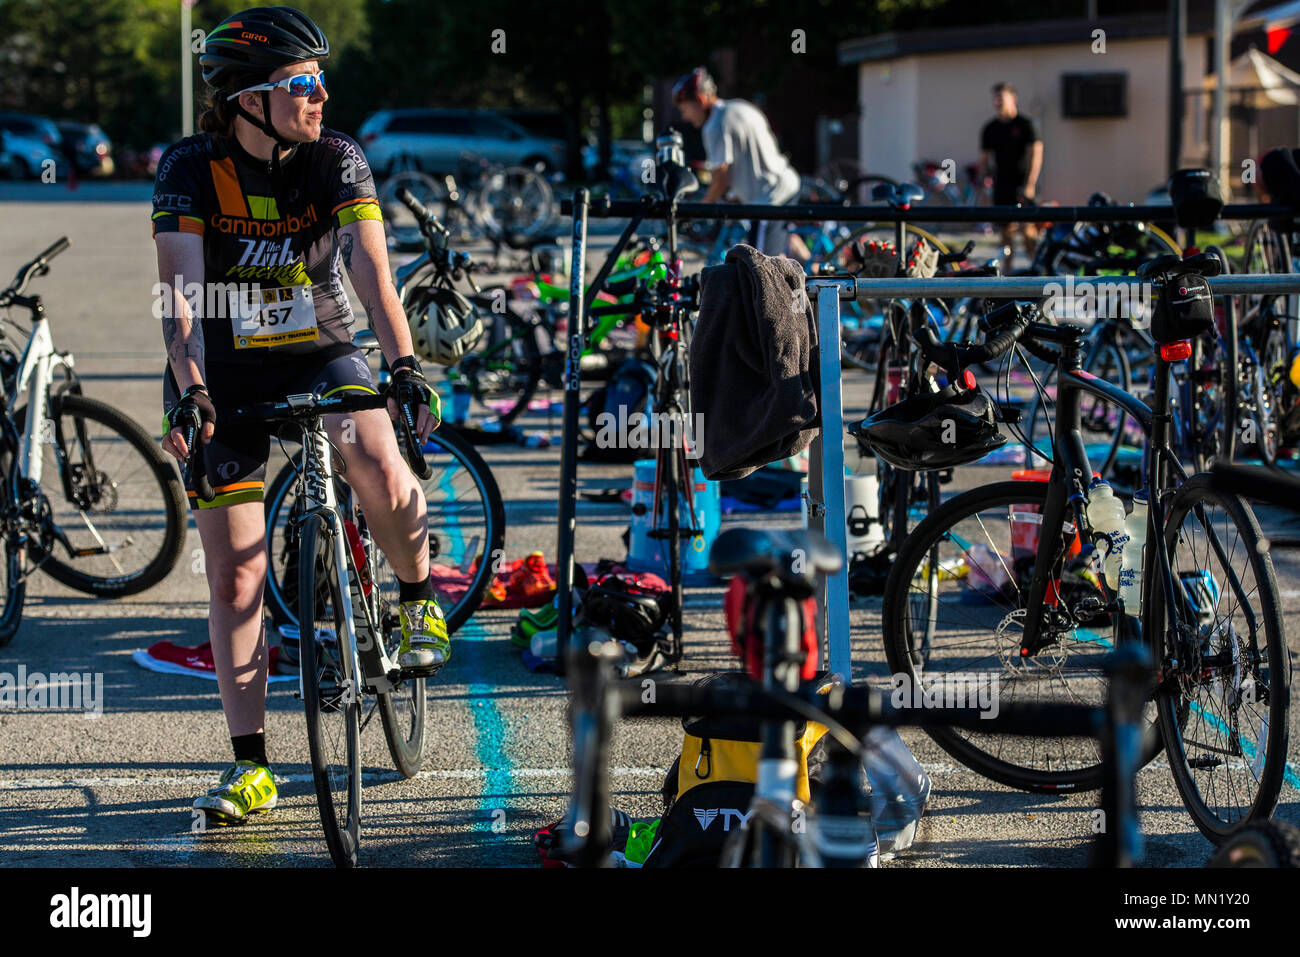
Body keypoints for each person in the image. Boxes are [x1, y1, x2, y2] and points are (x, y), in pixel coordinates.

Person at [153, 5, 463, 825]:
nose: (320, 95)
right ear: (249, 98)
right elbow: (180, 302)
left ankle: (415, 594)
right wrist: (190, 386)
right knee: (235, 574)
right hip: (220, 369)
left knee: (373, 452)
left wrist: (402, 366)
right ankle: (250, 764)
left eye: (323, 81)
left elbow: (371, 273)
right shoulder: (189, 166)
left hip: (319, 343)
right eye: (302, 83)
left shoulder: (336, 157)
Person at [673, 67, 802, 259]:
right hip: (786, 182)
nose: (685, 117)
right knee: (786, 246)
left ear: (700, 100)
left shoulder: (715, 125)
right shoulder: (740, 107)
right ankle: (820, 271)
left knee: (760, 266)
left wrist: (699, 209)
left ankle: (816, 283)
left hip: (769, 198)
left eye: (685, 109)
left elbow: (720, 179)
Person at [980, 82, 1042, 271]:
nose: (997, 101)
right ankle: (1006, 276)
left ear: (1012, 99)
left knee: (1027, 232)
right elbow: (984, 158)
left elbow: (1036, 155)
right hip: (1002, 186)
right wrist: (986, 181)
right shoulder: (990, 128)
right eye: (995, 97)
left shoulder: (1025, 125)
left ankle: (1037, 272)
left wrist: (1029, 185)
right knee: (1005, 235)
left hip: (1023, 185)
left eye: (1002, 97)